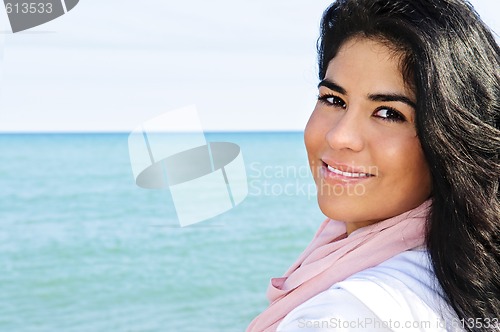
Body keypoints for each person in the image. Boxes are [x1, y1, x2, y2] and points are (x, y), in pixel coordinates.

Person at [247, 0, 499, 331]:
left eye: (388, 113)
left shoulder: (341, 317)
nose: (340, 137)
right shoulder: (468, 274)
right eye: (333, 100)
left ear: (450, 140)